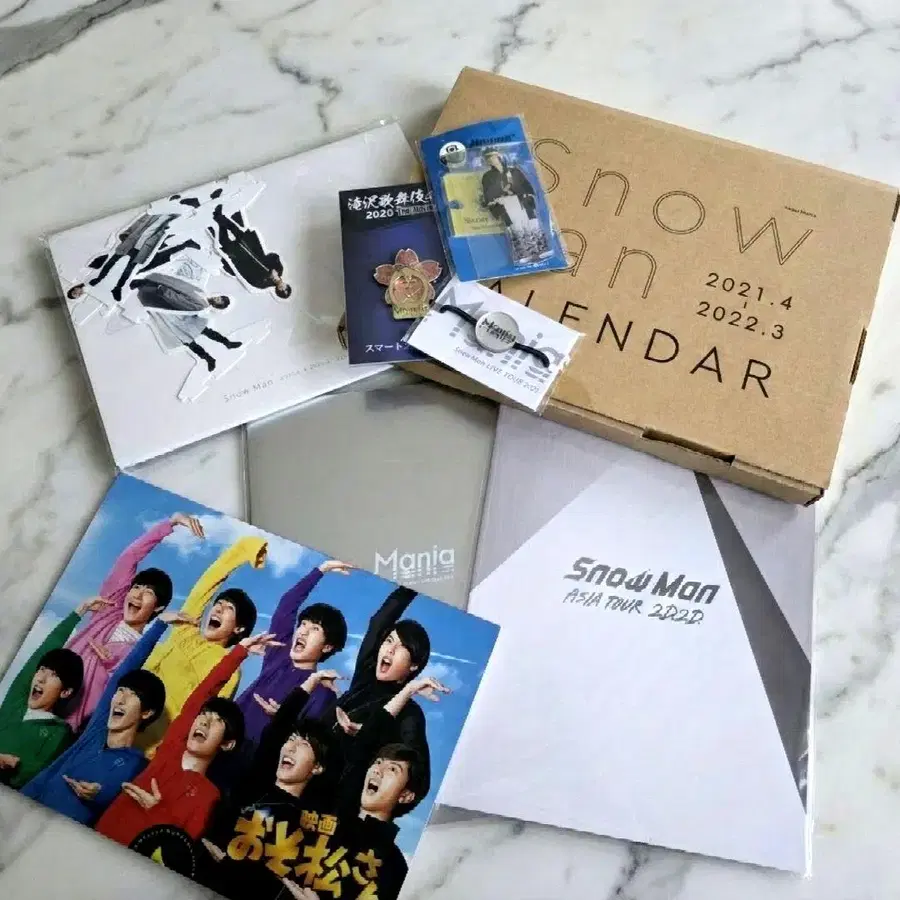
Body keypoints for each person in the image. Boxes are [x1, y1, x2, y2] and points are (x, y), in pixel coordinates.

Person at [95, 631, 279, 848]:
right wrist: (240, 652)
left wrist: (156, 810)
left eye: (217, 721)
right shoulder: (170, 750)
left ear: (227, 743)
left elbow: (179, 852)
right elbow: (203, 693)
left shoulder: (208, 797)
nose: (205, 722)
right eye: (204, 715)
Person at [21, 617, 167, 825]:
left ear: (146, 713)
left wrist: (98, 794)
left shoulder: (137, 764)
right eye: (120, 691)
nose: (120, 699)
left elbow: (115, 795)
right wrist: (160, 624)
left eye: (132, 695)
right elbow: (123, 671)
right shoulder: (94, 734)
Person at [63, 513, 200, 731]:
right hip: (44, 704)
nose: (137, 594)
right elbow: (129, 558)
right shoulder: (107, 612)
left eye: (148, 592)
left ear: (158, 608)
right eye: (136, 587)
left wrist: (111, 666)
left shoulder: (142, 652)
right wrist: (171, 523)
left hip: (74, 729)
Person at [138, 537, 266, 754]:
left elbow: (208, 722)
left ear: (239, 628)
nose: (218, 609)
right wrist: (244, 549)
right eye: (218, 604)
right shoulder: (185, 630)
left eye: (229, 609)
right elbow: (205, 586)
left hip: (152, 753)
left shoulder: (228, 669)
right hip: (115, 729)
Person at [328, 586, 433, 797]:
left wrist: (371, 735)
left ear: (414, 665)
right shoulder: (365, 675)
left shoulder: (408, 712)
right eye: (389, 641)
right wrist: (412, 585)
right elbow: (379, 622)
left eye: (401, 647)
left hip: (339, 798)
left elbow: (418, 775)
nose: (390, 649)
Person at [236, 559, 351, 750]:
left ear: (327, 647)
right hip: (221, 741)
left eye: (314, 629)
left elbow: (307, 741)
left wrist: (284, 719)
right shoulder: (279, 654)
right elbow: (287, 604)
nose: (303, 631)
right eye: (303, 624)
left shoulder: (321, 691)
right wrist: (321, 569)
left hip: (256, 759)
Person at [0, 616, 84, 788]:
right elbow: (40, 654)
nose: (41, 678)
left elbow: (30, 776)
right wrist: (77, 613)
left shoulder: (58, 733)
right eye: (42, 670)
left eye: (53, 675)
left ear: (65, 692)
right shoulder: (15, 704)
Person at [65, 209, 202, 304]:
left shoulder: (169, 219)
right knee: (119, 264)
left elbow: (144, 225)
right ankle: (116, 287)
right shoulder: (89, 286)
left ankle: (118, 287)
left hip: (140, 246)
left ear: (74, 289)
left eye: (74, 292)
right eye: (76, 295)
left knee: (127, 266)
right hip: (135, 246)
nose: (77, 293)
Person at [130, 273, 242, 373]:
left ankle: (225, 344)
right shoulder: (202, 296)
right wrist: (164, 292)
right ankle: (209, 358)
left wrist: (165, 292)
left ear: (218, 305)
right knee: (187, 340)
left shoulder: (203, 304)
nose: (217, 298)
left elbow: (181, 301)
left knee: (203, 331)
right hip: (172, 315)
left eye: (220, 301)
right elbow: (181, 294)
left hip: (183, 316)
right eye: (220, 298)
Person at [480, 148, 551, 264]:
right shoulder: (487, 176)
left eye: (493, 157)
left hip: (522, 201)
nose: (492, 160)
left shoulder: (514, 171)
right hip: (505, 204)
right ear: (487, 162)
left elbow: (526, 185)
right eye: (488, 159)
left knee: (532, 224)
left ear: (499, 157)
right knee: (515, 228)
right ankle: (523, 253)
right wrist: (497, 201)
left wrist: (527, 196)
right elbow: (488, 194)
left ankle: (542, 249)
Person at [210, 205, 292, 298]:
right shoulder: (279, 269)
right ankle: (219, 216)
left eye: (282, 291)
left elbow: (248, 276)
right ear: (287, 285)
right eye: (286, 288)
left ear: (278, 291)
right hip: (253, 250)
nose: (283, 288)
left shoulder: (263, 284)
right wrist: (273, 268)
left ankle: (218, 217)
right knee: (236, 230)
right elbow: (273, 256)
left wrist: (266, 276)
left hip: (243, 259)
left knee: (224, 241)